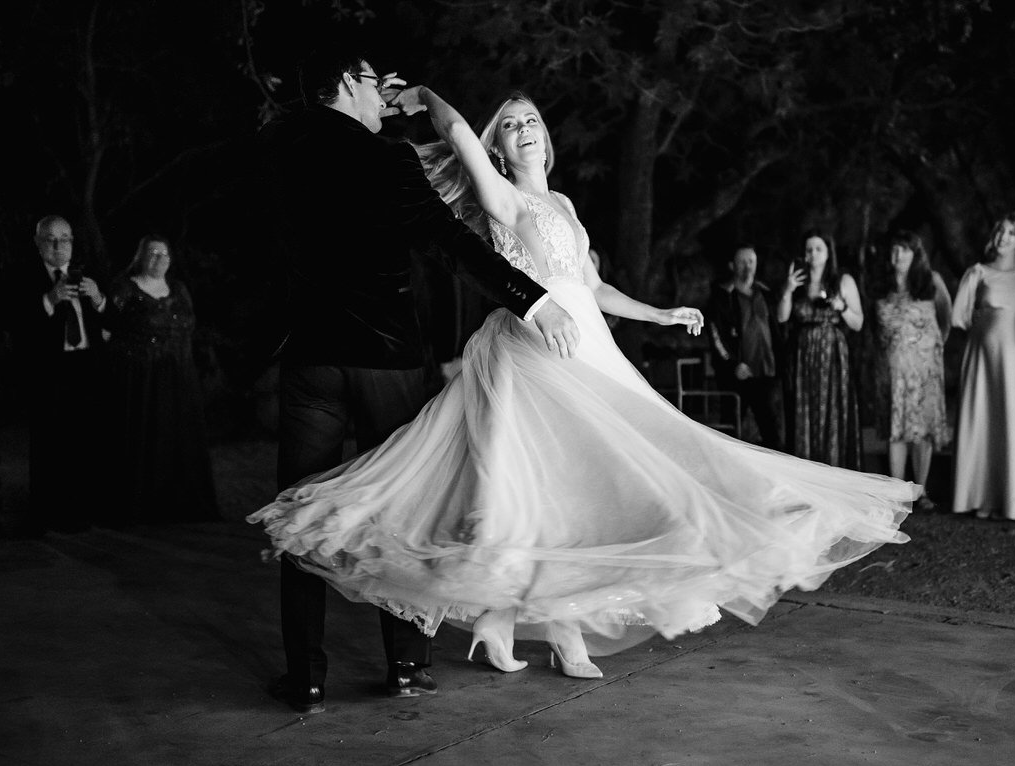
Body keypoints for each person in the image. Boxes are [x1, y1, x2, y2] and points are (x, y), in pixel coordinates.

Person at [250, 86, 915, 684]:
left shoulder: (563, 204)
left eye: (533, 118)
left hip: (591, 353)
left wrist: (661, 312)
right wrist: (426, 96)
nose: (525, 128)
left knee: (600, 489)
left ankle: (519, 623)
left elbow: (591, 286)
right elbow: (456, 135)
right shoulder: (501, 197)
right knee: (547, 499)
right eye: (510, 124)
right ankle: (536, 625)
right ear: (498, 147)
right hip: (536, 357)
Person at [256, 48, 580, 713]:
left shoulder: (277, 147)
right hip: (389, 362)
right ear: (347, 81)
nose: (384, 93)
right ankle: (405, 665)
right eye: (375, 81)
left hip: (311, 357)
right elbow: (456, 249)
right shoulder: (390, 160)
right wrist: (535, 301)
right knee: (403, 512)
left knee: (300, 513)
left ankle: (307, 678)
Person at [99, 235, 217, 525]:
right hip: (142, 380)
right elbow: (106, 327)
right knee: (146, 437)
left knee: (178, 439)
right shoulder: (125, 287)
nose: (159, 259)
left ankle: (181, 504)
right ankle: (142, 505)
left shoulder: (178, 289)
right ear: (140, 257)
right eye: (153, 253)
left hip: (178, 376)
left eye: (164, 254)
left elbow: (189, 326)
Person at [951, 213, 1015, 520]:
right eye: (1001, 231)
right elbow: (959, 316)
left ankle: (1013, 499)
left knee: (1012, 421)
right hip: (983, 356)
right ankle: (980, 496)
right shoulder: (978, 272)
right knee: (983, 420)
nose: (1004, 237)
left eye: (1011, 233)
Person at [16, 215, 106, 534]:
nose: (59, 246)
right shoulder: (25, 278)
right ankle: (47, 514)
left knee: (84, 442)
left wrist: (98, 298)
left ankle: (82, 511)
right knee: (50, 444)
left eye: (65, 238)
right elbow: (18, 327)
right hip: (49, 373)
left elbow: (110, 323)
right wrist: (48, 300)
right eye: (52, 239)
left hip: (85, 368)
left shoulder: (87, 275)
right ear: (39, 243)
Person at [872, 231, 952, 511]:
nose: (899, 256)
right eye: (894, 250)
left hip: (925, 370)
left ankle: (921, 490)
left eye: (905, 250)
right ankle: (897, 492)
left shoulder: (932, 282)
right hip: (892, 370)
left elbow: (946, 319)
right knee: (897, 430)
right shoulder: (880, 286)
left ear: (915, 254)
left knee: (922, 431)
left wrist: (930, 349)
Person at [777, 232, 864, 468]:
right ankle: (806, 473)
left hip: (832, 354)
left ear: (828, 252)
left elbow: (858, 323)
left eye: (818, 248)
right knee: (803, 412)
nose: (813, 254)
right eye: (808, 249)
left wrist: (841, 306)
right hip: (802, 354)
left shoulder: (842, 280)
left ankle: (834, 469)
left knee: (831, 412)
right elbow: (782, 317)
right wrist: (787, 289)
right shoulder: (798, 281)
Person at [705, 245, 782, 450]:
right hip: (738, 372)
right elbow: (715, 335)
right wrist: (732, 365)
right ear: (732, 265)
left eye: (751, 261)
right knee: (732, 429)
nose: (747, 266)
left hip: (766, 369)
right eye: (742, 261)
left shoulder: (764, 293)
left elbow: (777, 329)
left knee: (770, 429)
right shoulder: (722, 297)